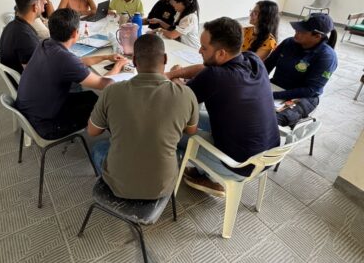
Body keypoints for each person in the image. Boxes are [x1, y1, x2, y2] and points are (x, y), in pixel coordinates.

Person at [176, 17, 280, 196]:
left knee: (170, 128)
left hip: (238, 166)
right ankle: (204, 171)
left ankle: (208, 175)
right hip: (267, 155)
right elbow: (203, 68)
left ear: (221, 54)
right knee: (200, 118)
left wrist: (176, 80)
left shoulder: (215, 76)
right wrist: (175, 72)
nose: (199, 50)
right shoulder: (253, 59)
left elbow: (177, 100)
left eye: (204, 47)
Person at [88, 34, 199, 200]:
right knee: (177, 146)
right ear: (166, 59)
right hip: (163, 187)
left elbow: (92, 131)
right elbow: (191, 130)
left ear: (133, 61)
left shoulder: (112, 91)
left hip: (118, 185)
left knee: (98, 148)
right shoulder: (186, 94)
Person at [16, 9, 128, 139]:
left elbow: (77, 62)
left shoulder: (46, 44)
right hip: (46, 125)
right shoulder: (64, 59)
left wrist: (106, 57)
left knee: (91, 97)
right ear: (75, 33)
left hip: (31, 113)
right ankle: (120, 143)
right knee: (105, 105)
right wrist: (119, 66)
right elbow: (103, 83)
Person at [265, 13, 338, 127]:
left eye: (302, 31)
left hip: (303, 98)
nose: (296, 32)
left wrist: (273, 95)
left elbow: (310, 90)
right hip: (276, 87)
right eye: (297, 28)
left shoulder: (326, 56)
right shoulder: (289, 43)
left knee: (270, 120)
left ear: (317, 36)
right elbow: (267, 66)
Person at [0, 0, 40, 73]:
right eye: (42, 1)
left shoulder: (11, 26)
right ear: (35, 7)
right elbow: (35, 74)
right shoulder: (25, 36)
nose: (46, 2)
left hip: (18, 78)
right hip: (27, 84)